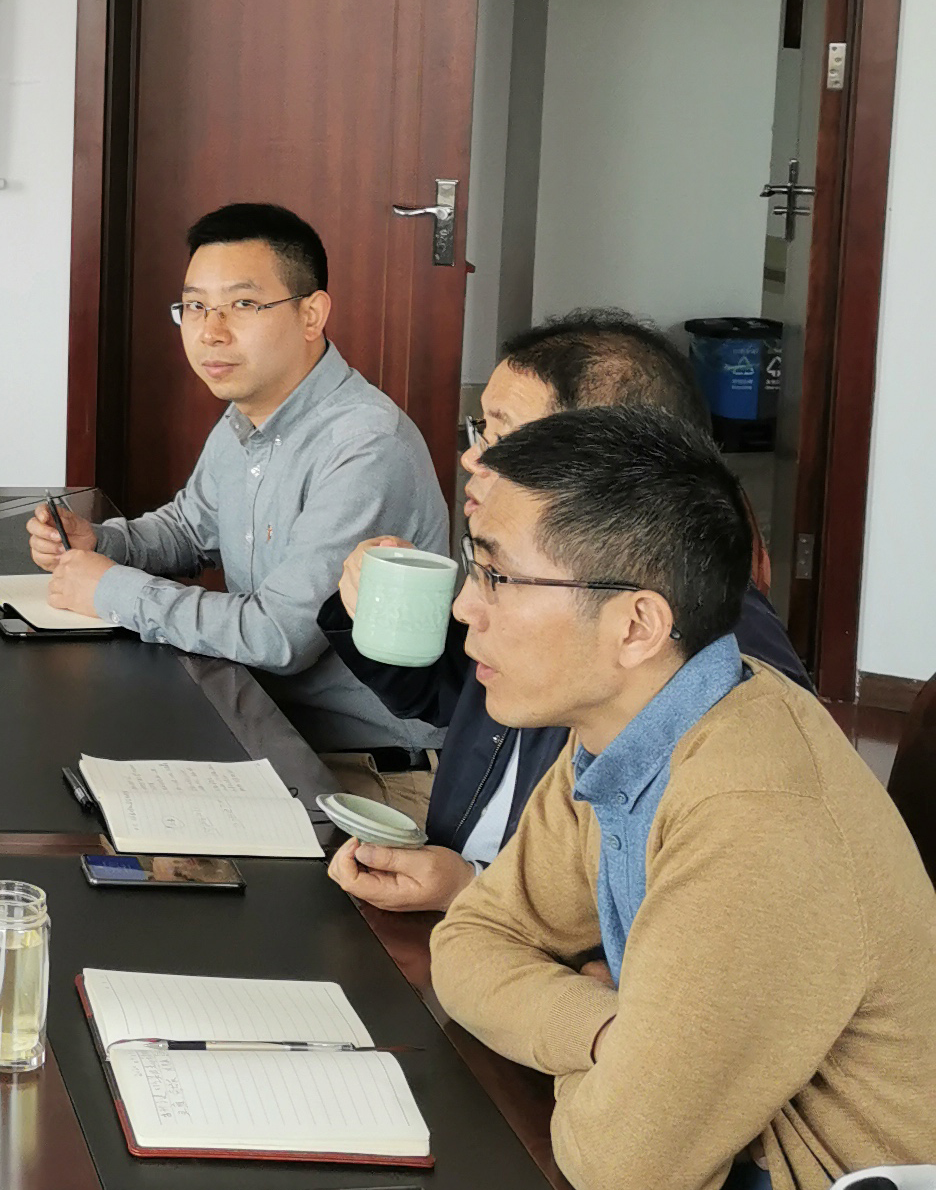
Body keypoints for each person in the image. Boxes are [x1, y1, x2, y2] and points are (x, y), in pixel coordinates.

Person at [429, 406, 936, 1190]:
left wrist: (600, 1047)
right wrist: (606, 1030)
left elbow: (631, 1178)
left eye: (500, 578)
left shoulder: (757, 812)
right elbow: (471, 940)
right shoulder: (626, 724)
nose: (464, 608)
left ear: (636, 626)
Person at [326, 309, 810, 912]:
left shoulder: (724, 665)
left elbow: (661, 916)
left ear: (613, 462)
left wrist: (471, 888)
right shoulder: (550, 580)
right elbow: (452, 696)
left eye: (504, 438)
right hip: (462, 899)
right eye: (480, 431)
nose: (473, 460)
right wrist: (372, 609)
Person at [29, 202, 451, 778]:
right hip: (261, 727)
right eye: (195, 306)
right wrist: (101, 543)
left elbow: (279, 636)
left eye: (243, 305)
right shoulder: (249, 413)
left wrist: (112, 590)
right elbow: (189, 529)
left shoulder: (365, 446)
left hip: (364, 769)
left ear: (311, 314)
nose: (211, 331)